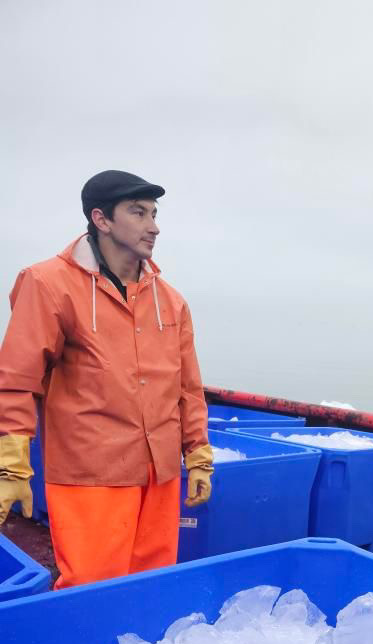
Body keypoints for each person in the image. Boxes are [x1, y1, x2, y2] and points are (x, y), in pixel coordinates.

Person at [0, 170, 213, 588]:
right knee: (92, 587)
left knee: (152, 585)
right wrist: (12, 468)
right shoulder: (47, 284)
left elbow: (187, 387)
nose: (153, 226)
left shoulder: (170, 300)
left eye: (153, 213)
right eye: (138, 212)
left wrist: (199, 456)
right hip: (90, 473)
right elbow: (17, 379)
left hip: (160, 474)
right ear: (101, 219)